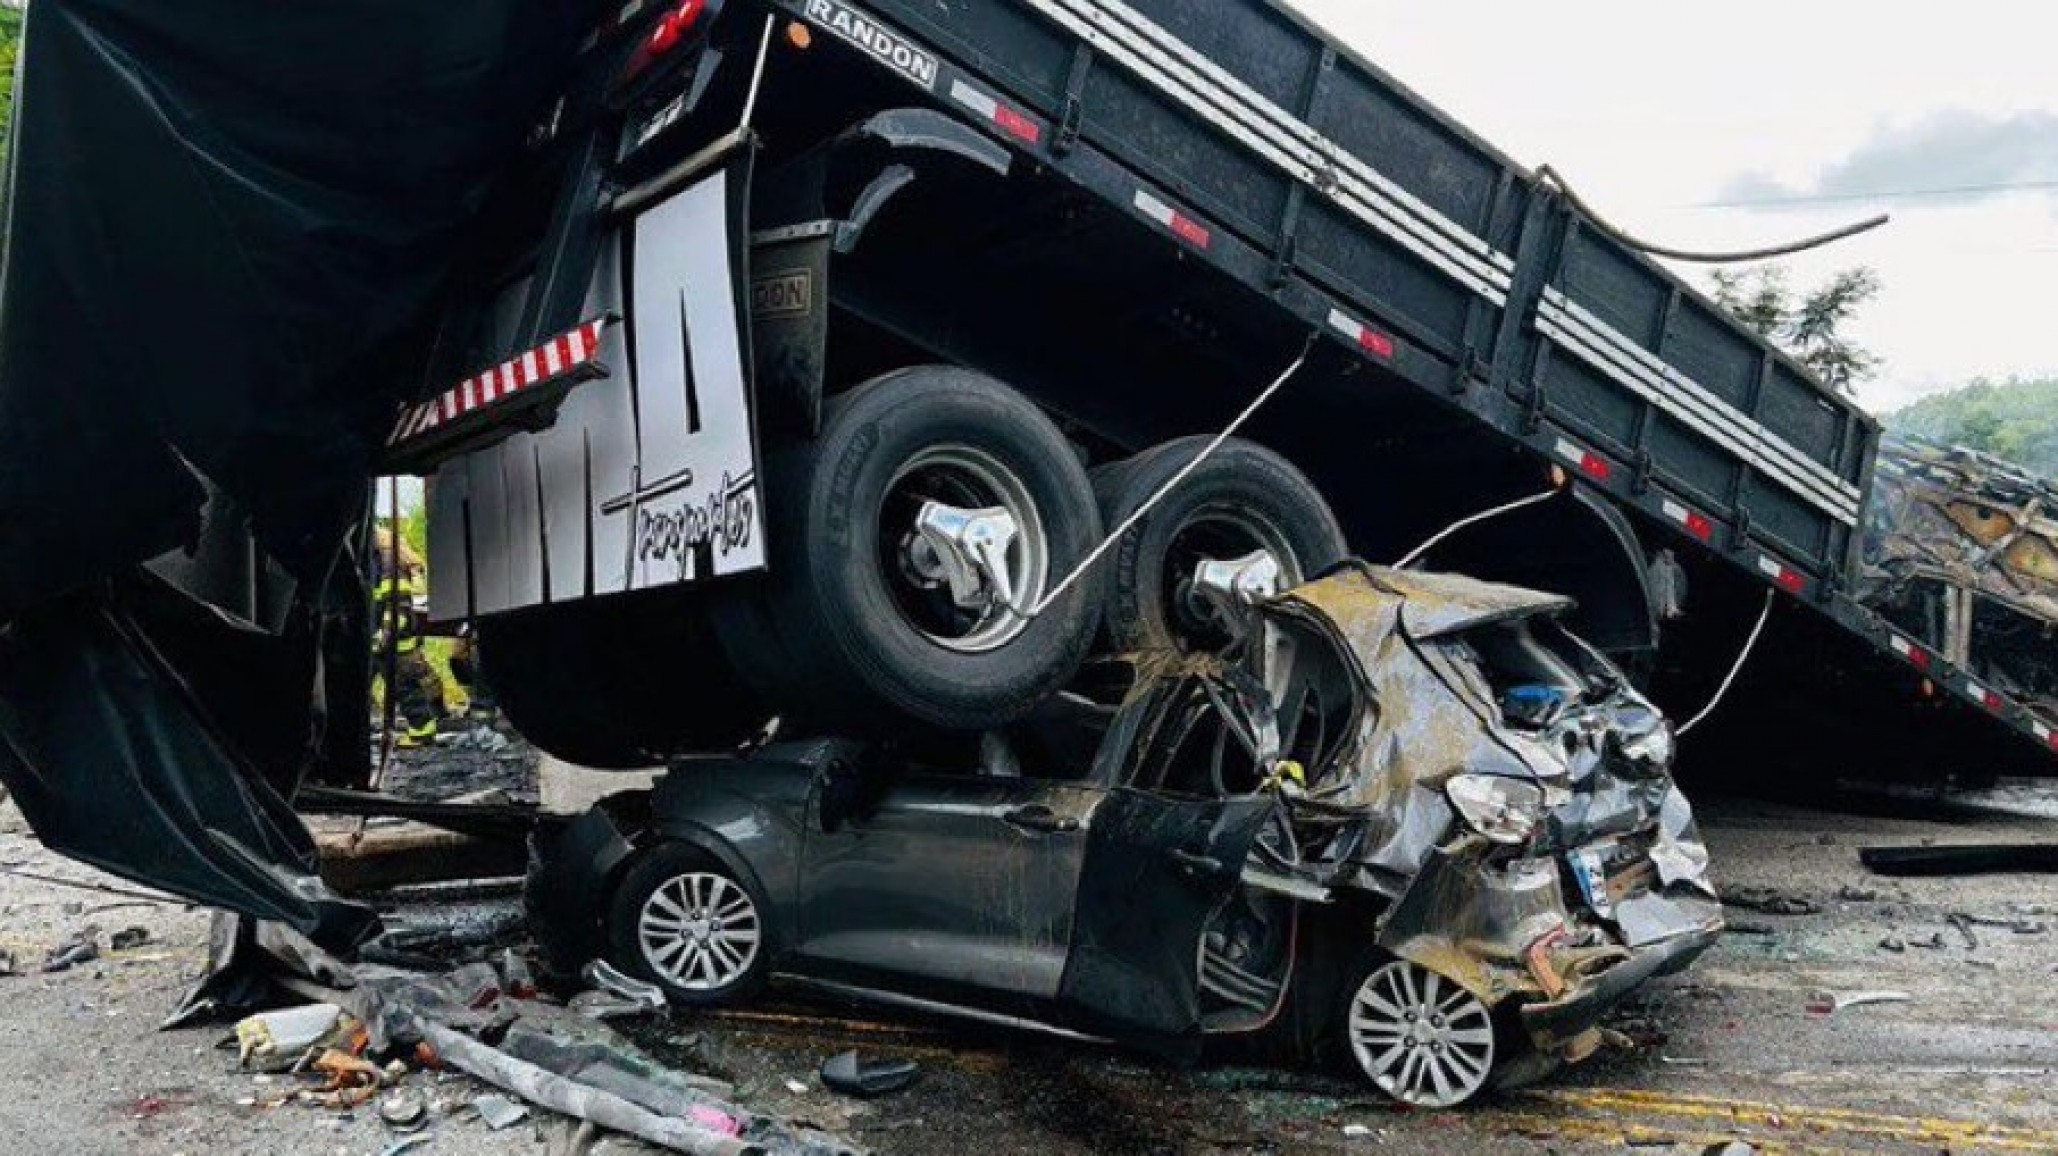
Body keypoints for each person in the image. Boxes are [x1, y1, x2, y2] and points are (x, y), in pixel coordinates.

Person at [371, 524, 446, 747]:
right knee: (411, 679)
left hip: (394, 637)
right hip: (396, 635)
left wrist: (384, 636)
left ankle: (422, 731)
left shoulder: (388, 562)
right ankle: (430, 719)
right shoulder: (390, 557)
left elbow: (397, 605)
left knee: (404, 686)